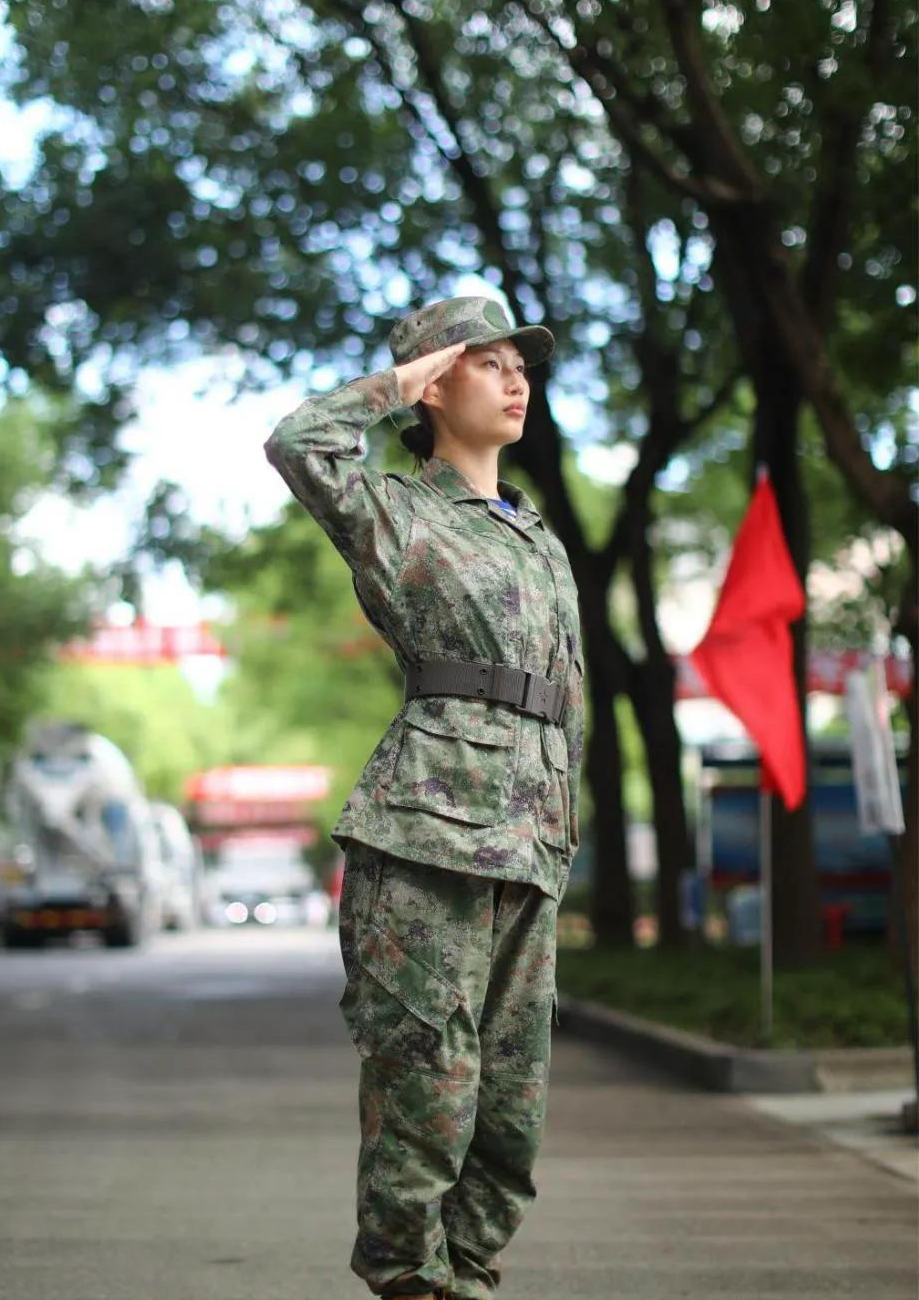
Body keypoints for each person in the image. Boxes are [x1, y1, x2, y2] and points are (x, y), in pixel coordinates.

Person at [263, 295, 584, 1300]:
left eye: (520, 365)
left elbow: (565, 694)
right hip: (427, 842)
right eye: (489, 363)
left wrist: (562, 834)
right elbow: (297, 442)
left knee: (510, 1118)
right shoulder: (395, 508)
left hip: (528, 844)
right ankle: (412, 1283)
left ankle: (468, 1282)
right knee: (427, 1102)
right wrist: (403, 379)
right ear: (438, 383)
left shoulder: (537, 536)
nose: (517, 379)